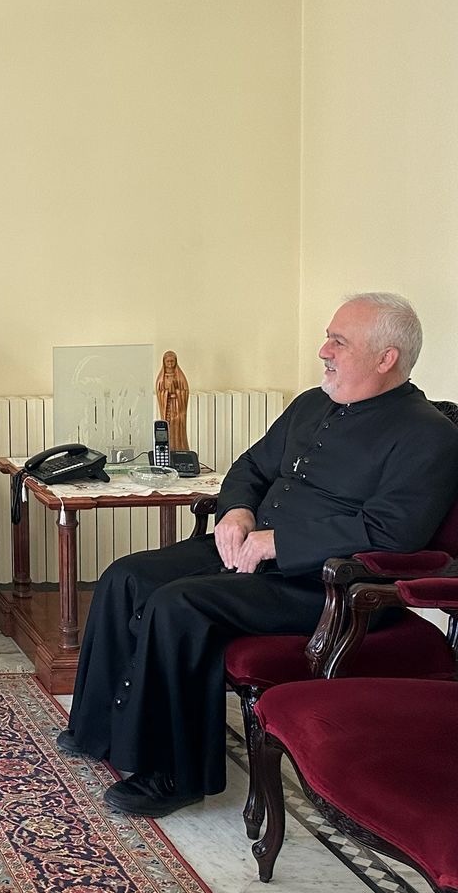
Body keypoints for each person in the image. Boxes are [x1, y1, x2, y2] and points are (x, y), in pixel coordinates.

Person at [62, 293, 458, 817]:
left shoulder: (428, 435)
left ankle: (175, 774)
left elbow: (392, 530)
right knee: (125, 575)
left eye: (338, 342)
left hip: (327, 584)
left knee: (179, 606)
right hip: (253, 549)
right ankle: (100, 729)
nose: (324, 351)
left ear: (387, 358)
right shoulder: (312, 404)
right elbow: (251, 466)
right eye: (328, 338)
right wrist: (237, 513)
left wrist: (279, 543)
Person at [155, 350, 190, 452]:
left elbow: (185, 391)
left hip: (178, 406)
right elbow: (159, 391)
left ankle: (180, 448)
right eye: (168, 361)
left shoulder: (179, 376)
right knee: (167, 426)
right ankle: (168, 449)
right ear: (164, 362)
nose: (170, 364)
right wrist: (166, 394)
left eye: (172, 361)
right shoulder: (162, 378)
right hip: (167, 406)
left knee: (178, 428)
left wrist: (177, 392)